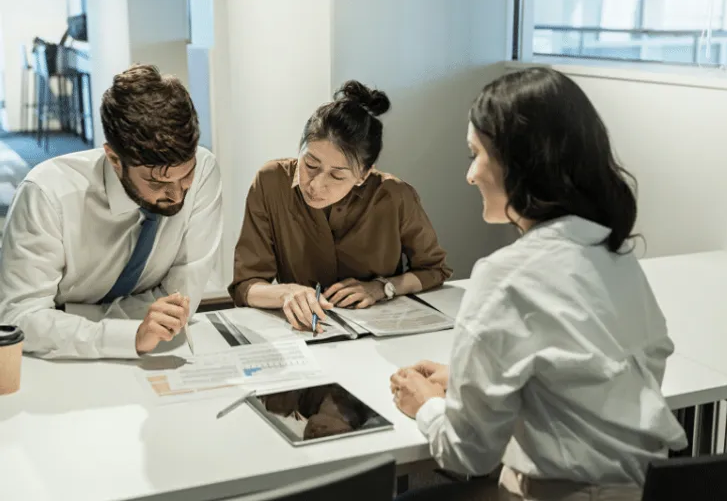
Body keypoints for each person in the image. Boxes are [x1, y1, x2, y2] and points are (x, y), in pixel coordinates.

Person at [390, 67, 688, 501]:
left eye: (476, 154)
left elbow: (467, 454)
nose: (470, 174)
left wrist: (426, 405)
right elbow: (586, 377)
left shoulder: (504, 275)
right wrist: (470, 379)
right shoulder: (614, 256)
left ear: (518, 162)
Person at [0, 64, 222, 359]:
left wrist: (71, 318)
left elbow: (177, 302)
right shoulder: (47, 194)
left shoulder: (204, 171)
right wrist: (128, 335)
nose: (177, 192)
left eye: (186, 175)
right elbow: (21, 317)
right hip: (54, 363)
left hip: (152, 352)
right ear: (114, 159)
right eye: (157, 181)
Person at [229, 80, 451, 332]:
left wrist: (382, 288)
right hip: (304, 333)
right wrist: (286, 293)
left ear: (364, 175)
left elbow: (434, 270)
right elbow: (246, 285)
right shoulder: (271, 182)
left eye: (337, 176)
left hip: (377, 333)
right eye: (310, 165)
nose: (316, 185)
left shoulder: (395, 196)